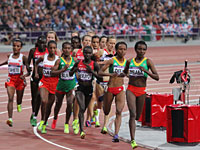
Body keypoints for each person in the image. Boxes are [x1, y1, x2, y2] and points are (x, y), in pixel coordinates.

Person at [123, 40, 159, 149]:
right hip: (131, 89)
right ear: (135, 49)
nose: (141, 51)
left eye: (144, 49)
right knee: (132, 114)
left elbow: (157, 77)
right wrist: (128, 76)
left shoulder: (148, 62)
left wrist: (146, 71)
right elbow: (125, 72)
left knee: (138, 116)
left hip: (142, 90)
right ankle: (133, 140)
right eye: (139, 49)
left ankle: (134, 128)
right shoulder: (130, 61)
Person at [69, 46, 102, 139]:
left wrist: (91, 71)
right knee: (82, 107)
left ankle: (81, 126)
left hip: (89, 89)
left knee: (84, 109)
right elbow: (70, 73)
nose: (87, 55)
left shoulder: (94, 64)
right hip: (80, 88)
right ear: (83, 53)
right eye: (86, 53)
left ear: (91, 54)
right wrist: (74, 70)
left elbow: (100, 78)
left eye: (89, 53)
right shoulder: (78, 63)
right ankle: (82, 130)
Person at [98, 41, 127, 142]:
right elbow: (100, 72)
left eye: (124, 49)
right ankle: (103, 102)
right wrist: (110, 75)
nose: (122, 51)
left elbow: (127, 73)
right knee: (106, 110)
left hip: (120, 88)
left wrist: (126, 74)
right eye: (120, 49)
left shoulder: (126, 62)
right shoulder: (111, 61)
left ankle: (116, 134)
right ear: (117, 50)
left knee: (119, 111)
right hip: (110, 88)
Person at [0, 39, 31, 127]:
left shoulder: (23, 57)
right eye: (14, 46)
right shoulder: (9, 56)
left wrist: (24, 75)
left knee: (19, 98)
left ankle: (19, 103)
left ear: (21, 48)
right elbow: (7, 62)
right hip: (11, 79)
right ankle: (10, 119)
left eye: (18, 46)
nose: (15, 48)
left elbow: (29, 71)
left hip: (20, 79)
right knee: (10, 98)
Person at [51, 42, 77, 134]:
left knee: (70, 103)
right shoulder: (59, 60)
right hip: (61, 85)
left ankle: (66, 123)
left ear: (71, 50)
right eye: (65, 48)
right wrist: (62, 70)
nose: (66, 50)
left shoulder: (75, 60)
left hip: (71, 85)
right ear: (62, 50)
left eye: (68, 48)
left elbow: (78, 70)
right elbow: (52, 72)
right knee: (58, 104)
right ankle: (55, 118)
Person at [35, 40, 59, 133]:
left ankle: (44, 123)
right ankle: (41, 120)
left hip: (54, 84)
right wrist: (36, 72)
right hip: (44, 82)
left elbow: (56, 68)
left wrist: (56, 69)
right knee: (44, 101)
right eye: (50, 48)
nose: (52, 50)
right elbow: (36, 63)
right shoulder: (43, 57)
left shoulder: (58, 59)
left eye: (54, 48)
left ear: (56, 49)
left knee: (49, 106)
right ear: (47, 48)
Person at [28, 35, 48, 127]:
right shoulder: (33, 51)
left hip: (44, 77)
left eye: (44, 43)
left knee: (42, 97)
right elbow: (28, 63)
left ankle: (42, 117)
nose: (42, 45)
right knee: (35, 97)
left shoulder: (48, 51)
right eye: (40, 43)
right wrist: (28, 71)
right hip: (35, 77)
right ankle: (33, 114)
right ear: (37, 43)